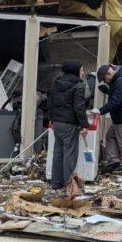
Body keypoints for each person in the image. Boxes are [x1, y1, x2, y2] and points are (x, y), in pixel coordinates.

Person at [47, 61, 90, 190]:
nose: (83, 72)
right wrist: (84, 125)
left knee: (58, 154)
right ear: (75, 70)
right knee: (70, 155)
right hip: (69, 124)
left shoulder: (57, 83)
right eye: (81, 70)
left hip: (57, 124)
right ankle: (69, 185)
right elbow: (79, 108)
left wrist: (52, 119)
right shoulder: (78, 86)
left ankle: (56, 183)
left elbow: (50, 103)